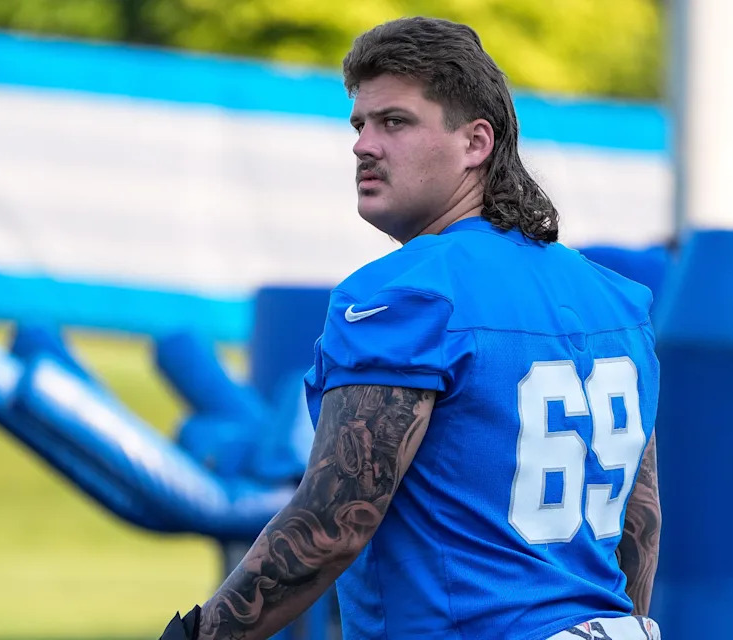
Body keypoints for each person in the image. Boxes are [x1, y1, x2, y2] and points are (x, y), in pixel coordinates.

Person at [161, 16, 661, 640]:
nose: (364, 145)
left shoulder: (406, 293)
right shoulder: (619, 301)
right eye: (359, 125)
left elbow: (333, 522)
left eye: (394, 122)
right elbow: (638, 527)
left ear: (476, 142)